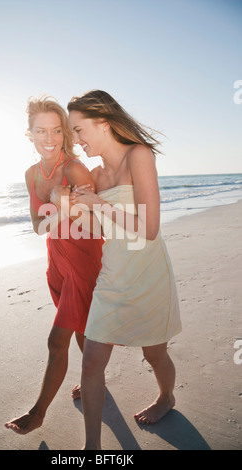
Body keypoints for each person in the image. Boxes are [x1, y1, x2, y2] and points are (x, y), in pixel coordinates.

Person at [67, 90, 182, 450]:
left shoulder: (139, 155)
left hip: (147, 273)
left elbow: (148, 228)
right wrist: (78, 208)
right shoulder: (98, 175)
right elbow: (105, 229)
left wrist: (98, 203)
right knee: (90, 364)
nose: (77, 140)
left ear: (103, 122)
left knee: (154, 353)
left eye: (79, 130)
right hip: (113, 275)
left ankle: (166, 397)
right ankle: (92, 449)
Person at [5, 95, 103, 435]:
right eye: (41, 131)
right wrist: (57, 205)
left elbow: (98, 224)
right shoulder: (31, 174)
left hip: (84, 260)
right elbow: (37, 226)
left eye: (56, 131)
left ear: (65, 134)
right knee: (81, 328)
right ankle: (94, 380)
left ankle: (38, 413)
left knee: (56, 340)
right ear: (29, 134)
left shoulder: (74, 168)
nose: (49, 139)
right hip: (57, 262)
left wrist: (68, 205)